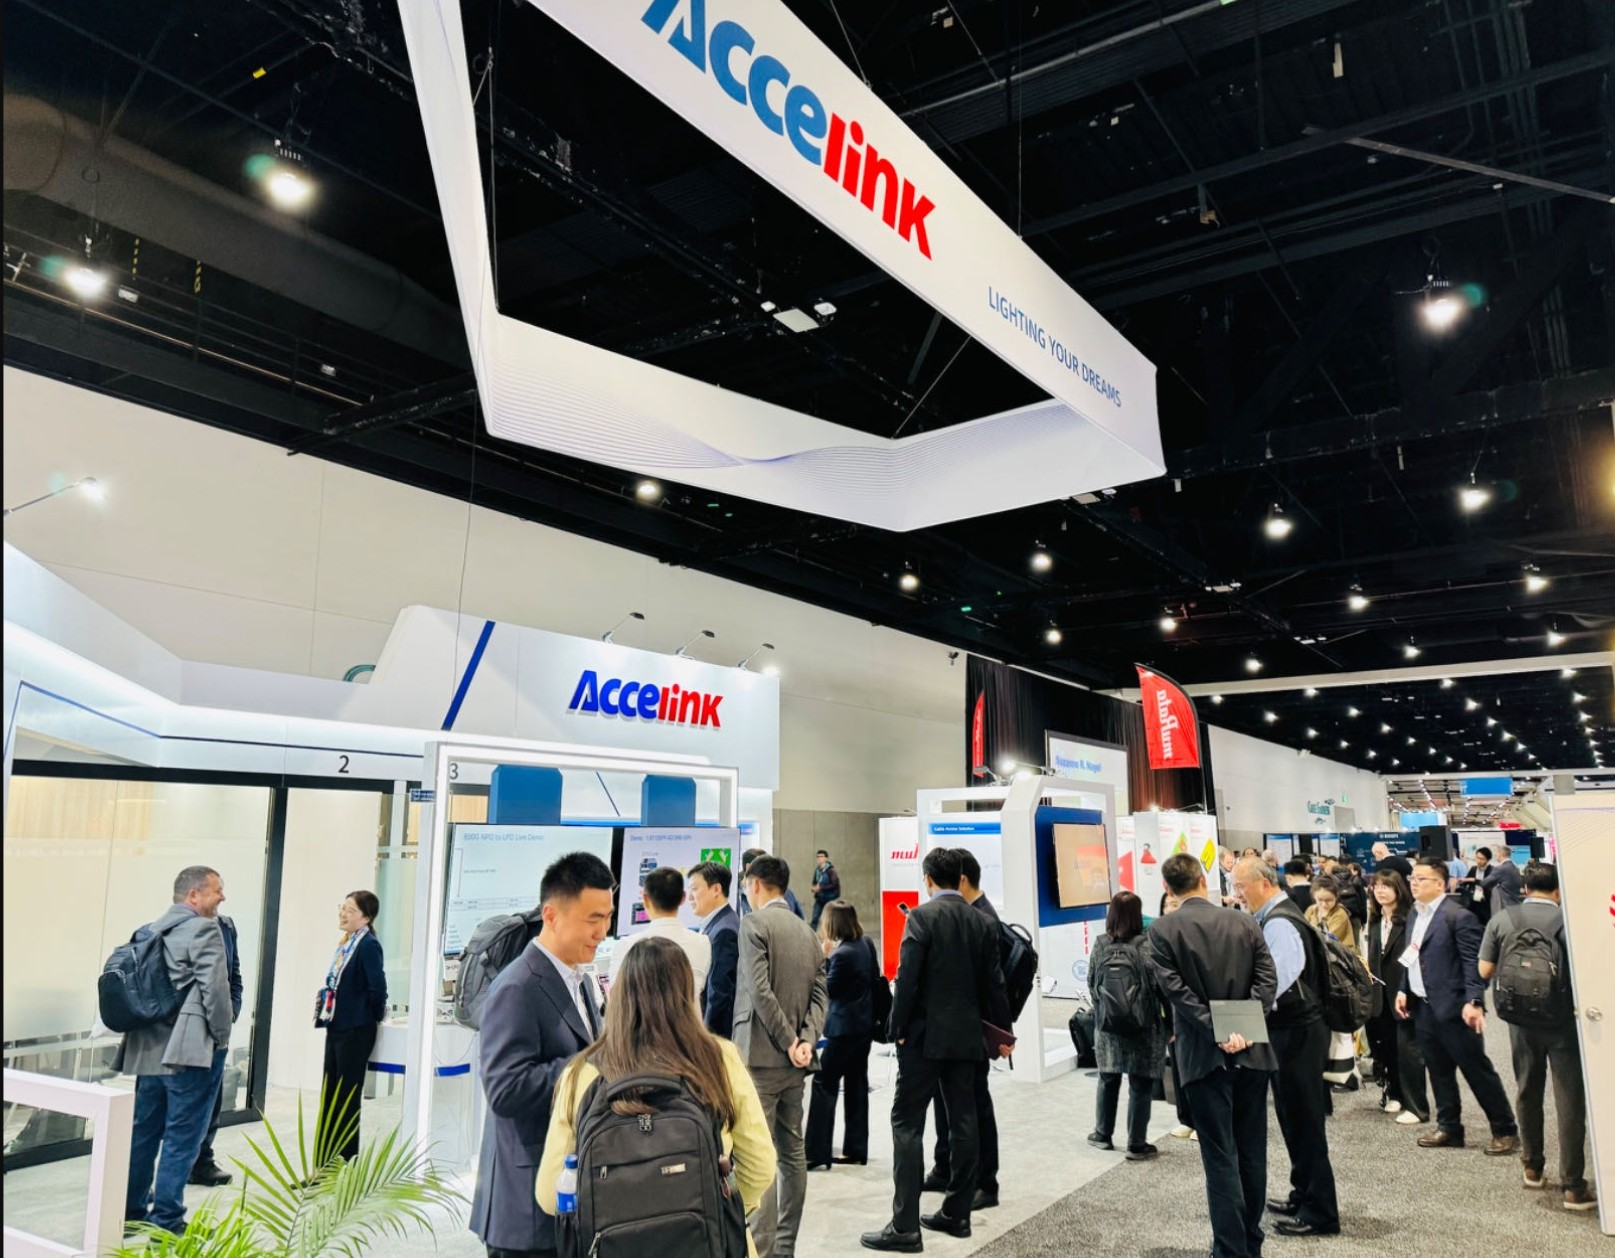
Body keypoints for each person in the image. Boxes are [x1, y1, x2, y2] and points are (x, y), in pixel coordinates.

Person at [534, 936, 778, 1255]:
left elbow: (551, 1195)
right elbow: (760, 1165)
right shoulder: (719, 1059)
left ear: (619, 996)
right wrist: (717, 1207)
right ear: (687, 996)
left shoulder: (581, 1074)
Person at [862, 848, 1011, 1252]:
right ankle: (957, 1213)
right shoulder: (983, 922)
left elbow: (907, 979)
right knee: (964, 1121)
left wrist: (896, 1029)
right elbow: (995, 985)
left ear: (928, 879)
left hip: (923, 1040)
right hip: (967, 1039)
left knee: (907, 1124)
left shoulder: (921, 918)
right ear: (959, 877)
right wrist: (1004, 1034)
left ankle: (905, 1226)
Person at [470, 852, 614, 1258]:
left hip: (563, 1193)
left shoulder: (579, 980)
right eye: (593, 919)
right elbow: (505, 1090)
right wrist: (592, 1068)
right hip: (524, 1206)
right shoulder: (517, 987)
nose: (602, 931)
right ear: (551, 915)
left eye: (607, 917)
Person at [1148, 853, 1278, 1258]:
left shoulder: (1162, 930)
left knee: (1220, 1156)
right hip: (1252, 1052)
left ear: (1167, 888)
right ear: (1204, 879)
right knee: (1252, 1151)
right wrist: (1242, 1028)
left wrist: (1216, 1029)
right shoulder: (1244, 921)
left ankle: (1230, 1249)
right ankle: (1250, 1242)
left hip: (1203, 1057)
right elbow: (1267, 980)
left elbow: (1176, 993)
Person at [120, 866, 234, 1236]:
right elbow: (216, 993)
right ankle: (167, 1222)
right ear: (193, 895)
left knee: (144, 1134)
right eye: (217, 890)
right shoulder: (203, 929)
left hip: (148, 1049)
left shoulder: (148, 931)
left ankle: (132, 1213)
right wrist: (221, 1039)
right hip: (189, 1053)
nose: (222, 897)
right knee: (182, 1138)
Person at [1477, 862, 1595, 1211]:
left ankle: (1532, 1167)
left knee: (1528, 1089)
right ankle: (1573, 1186)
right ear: (1558, 891)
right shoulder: (1568, 921)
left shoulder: (1503, 919)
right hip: (1563, 1022)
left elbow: (1485, 969)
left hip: (1520, 1022)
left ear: (1525, 889)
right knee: (1569, 1100)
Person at [1232, 857, 1339, 1238]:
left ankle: (1321, 1212)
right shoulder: (1277, 916)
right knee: (1294, 1118)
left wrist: (1240, 1022)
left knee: (1304, 1120)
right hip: (1292, 1031)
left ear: (1263, 883)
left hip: (1298, 1032)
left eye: (1240, 886)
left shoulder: (1279, 923)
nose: (1237, 895)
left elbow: (1273, 984)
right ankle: (1302, 1194)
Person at [733, 855, 828, 1258]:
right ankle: (785, 1246)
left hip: (759, 1057)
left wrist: (789, 1040)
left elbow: (759, 991)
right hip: (796, 1064)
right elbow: (821, 996)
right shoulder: (807, 931)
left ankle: (764, 1248)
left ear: (755, 884)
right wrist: (805, 1040)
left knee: (760, 1154)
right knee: (792, 1152)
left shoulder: (753, 924)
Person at [1394, 856, 1518, 1155]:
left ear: (1440, 884)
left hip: (1455, 1008)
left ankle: (1505, 1129)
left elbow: (1473, 965)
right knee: (1438, 1071)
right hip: (1423, 1007)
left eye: (1421, 879)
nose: (1414, 883)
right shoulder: (1414, 914)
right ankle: (1449, 1127)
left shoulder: (1458, 917)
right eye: (1412, 878)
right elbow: (1412, 955)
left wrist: (1475, 1001)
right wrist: (1403, 989)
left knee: (1477, 1070)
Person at [925, 849, 1004, 1209]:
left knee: (975, 1107)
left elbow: (993, 985)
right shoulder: (970, 915)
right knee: (948, 1104)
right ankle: (946, 1167)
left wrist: (1000, 1032)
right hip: (952, 1031)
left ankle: (985, 1182)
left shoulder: (983, 919)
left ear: (961, 879)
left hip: (973, 1032)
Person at [1085, 891, 1166, 1161]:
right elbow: (1158, 986)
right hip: (1143, 1027)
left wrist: (1106, 1011)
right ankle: (1136, 1144)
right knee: (1140, 1085)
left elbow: (1091, 982)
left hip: (1108, 1028)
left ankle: (1102, 1134)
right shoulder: (1148, 946)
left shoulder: (1100, 944)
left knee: (1107, 1079)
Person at [315, 890, 386, 1162]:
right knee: (330, 1098)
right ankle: (323, 1167)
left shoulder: (368, 945)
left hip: (356, 1030)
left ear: (366, 917)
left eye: (351, 910)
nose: (343, 914)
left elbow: (377, 988)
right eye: (343, 908)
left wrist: (370, 1017)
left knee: (346, 1101)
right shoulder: (347, 942)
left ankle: (343, 1164)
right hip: (337, 1026)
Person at [805, 900, 876, 1171]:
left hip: (843, 1030)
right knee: (857, 1086)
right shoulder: (865, 944)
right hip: (864, 1027)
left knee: (823, 1084)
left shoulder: (842, 955)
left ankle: (816, 1152)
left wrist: (823, 958)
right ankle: (856, 1149)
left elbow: (826, 989)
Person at [1363, 871, 1429, 1127]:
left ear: (1398, 889)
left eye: (1386, 886)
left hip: (1403, 991)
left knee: (1408, 1051)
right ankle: (1394, 1093)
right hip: (1379, 994)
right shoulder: (1375, 921)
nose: (1380, 891)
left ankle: (1414, 1103)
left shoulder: (1410, 919)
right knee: (1386, 1046)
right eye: (1376, 886)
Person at [188, 910, 242, 1187]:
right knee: (188, 1100)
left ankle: (202, 1161)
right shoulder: (182, 926)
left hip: (219, 1029)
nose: (221, 897)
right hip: (189, 1028)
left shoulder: (227, 926)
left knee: (212, 1099)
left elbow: (235, 976)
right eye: (215, 891)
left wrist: (231, 1010)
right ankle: (183, 1163)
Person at [612, 867, 710, 999]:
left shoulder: (625, 946)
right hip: (689, 1013)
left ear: (645, 899)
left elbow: (615, 996)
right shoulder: (703, 943)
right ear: (683, 897)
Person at [691, 860, 740, 1037]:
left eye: (695, 889)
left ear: (716, 890)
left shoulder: (724, 931)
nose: (690, 897)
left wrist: (708, 1037)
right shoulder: (719, 923)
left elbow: (719, 993)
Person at [740, 848, 805, 919]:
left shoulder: (785, 894)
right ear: (749, 867)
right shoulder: (734, 894)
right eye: (763, 867)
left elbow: (799, 920)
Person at [1305, 876, 1356, 951]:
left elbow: (1327, 940)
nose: (1324, 904)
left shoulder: (1340, 914)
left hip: (1338, 954)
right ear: (1314, 897)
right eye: (1320, 900)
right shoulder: (1311, 910)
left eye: (1329, 900)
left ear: (1336, 897)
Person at [1477, 848, 1524, 916]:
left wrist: (1475, 880)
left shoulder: (1501, 869)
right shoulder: (1515, 868)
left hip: (1504, 908)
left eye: (1496, 854)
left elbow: (1484, 883)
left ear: (1500, 855)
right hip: (1515, 906)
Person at [1459, 849, 1495, 926]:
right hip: (1473, 902)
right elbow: (1467, 881)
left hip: (1486, 903)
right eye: (1477, 858)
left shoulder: (1492, 871)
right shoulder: (1473, 869)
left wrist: (1474, 880)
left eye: (1482, 859)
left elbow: (1488, 883)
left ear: (1487, 860)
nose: (1479, 861)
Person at [810, 850, 841, 930]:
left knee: (830, 920)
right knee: (815, 918)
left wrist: (821, 888)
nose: (819, 858)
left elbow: (834, 884)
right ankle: (812, 935)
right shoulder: (817, 870)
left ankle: (830, 935)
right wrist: (814, 888)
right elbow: (814, 882)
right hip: (820, 898)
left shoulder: (831, 870)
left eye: (821, 856)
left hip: (830, 899)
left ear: (826, 858)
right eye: (818, 857)